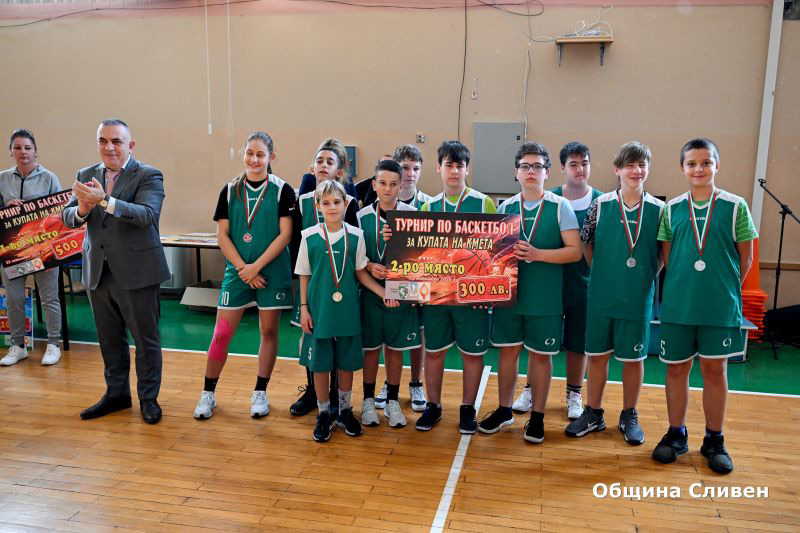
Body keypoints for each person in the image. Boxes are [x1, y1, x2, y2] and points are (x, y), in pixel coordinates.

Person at [652, 138, 756, 475]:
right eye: (692, 163)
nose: (699, 169)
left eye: (706, 162)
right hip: (679, 306)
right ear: (682, 168)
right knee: (676, 370)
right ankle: (676, 433)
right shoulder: (671, 209)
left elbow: (745, 258)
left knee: (714, 370)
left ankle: (714, 439)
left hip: (718, 306)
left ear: (717, 165)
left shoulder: (736, 206)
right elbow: (668, 257)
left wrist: (721, 288)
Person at [63, 119, 170, 425]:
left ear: (130, 145)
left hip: (138, 271)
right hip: (98, 271)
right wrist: (83, 210)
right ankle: (117, 394)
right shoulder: (85, 174)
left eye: (116, 141)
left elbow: (147, 215)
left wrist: (105, 201)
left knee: (145, 341)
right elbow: (68, 216)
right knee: (109, 340)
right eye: (103, 141)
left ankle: (148, 399)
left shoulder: (148, 175)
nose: (109, 147)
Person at [478, 142, 581, 442]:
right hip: (509, 296)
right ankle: (504, 410)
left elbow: (574, 252)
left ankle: (537, 417)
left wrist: (537, 254)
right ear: (516, 172)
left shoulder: (560, 207)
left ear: (547, 172)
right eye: (525, 166)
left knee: (540, 356)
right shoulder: (505, 209)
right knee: (507, 352)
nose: (531, 171)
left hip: (544, 297)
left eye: (537, 166)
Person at [565, 142, 664, 445]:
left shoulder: (660, 210)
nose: (636, 171)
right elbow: (586, 242)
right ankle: (593, 412)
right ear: (617, 170)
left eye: (642, 165)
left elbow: (663, 253)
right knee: (597, 356)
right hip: (601, 295)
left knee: (633, 359)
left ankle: (629, 414)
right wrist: (600, 271)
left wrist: (647, 275)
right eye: (630, 165)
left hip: (637, 296)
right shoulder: (601, 204)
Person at [193, 132, 294, 420]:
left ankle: (260, 392)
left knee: (269, 332)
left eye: (260, 154)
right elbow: (222, 236)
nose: (254, 159)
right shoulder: (229, 191)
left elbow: (285, 235)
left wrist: (256, 267)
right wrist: (244, 269)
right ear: (243, 154)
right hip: (238, 271)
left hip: (271, 271)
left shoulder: (283, 190)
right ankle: (208, 393)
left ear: (271, 157)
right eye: (250, 153)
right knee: (222, 333)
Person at [296, 179, 396, 441]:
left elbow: (361, 272)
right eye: (326, 203)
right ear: (318, 206)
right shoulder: (309, 236)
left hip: (348, 310)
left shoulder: (356, 235)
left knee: (345, 363)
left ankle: (344, 410)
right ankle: (323, 412)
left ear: (346, 203)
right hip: (319, 310)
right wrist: (304, 308)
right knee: (320, 364)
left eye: (336, 202)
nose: (332, 207)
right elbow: (304, 274)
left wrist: (382, 292)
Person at [513, 142, 603, 420]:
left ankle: (574, 393)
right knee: (538, 346)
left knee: (578, 343)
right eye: (574, 164)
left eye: (584, 163)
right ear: (562, 168)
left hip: (581, 284)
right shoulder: (546, 197)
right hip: (545, 284)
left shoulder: (601, 202)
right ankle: (530, 390)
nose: (580, 169)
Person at [415, 140, 496, 434]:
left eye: (459, 165)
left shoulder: (484, 204)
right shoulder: (428, 207)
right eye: (448, 165)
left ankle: (467, 408)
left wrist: (487, 290)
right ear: (438, 168)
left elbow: (495, 252)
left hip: (471, 296)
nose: (454, 171)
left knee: (472, 355)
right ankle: (433, 405)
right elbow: (418, 253)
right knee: (434, 351)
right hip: (437, 296)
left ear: (467, 169)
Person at [290, 139, 359, 418]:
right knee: (311, 339)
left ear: (339, 172)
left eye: (330, 162)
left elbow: (355, 244)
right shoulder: (303, 201)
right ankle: (313, 392)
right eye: (319, 161)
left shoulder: (348, 203)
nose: (323, 165)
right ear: (312, 167)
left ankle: (336, 398)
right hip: (314, 284)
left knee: (338, 342)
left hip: (339, 284)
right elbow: (296, 244)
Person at [357, 159, 420, 428]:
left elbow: (421, 260)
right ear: (374, 185)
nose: (388, 189)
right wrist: (370, 266)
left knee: (395, 350)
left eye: (394, 184)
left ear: (401, 186)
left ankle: (393, 400)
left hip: (401, 295)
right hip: (371, 294)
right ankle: (367, 400)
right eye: (382, 183)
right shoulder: (361, 217)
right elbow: (357, 260)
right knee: (371, 350)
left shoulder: (413, 215)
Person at [373, 144, 431, 413]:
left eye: (415, 168)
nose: (410, 173)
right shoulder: (378, 203)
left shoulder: (427, 205)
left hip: (418, 281)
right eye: (405, 168)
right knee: (392, 335)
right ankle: (390, 383)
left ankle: (416, 382)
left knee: (420, 332)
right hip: (388, 284)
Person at [0, 129, 63, 366]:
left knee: (49, 298)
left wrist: (53, 252)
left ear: (35, 151)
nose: (23, 152)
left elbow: (61, 214)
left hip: (43, 250)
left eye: (27, 148)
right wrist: (7, 208)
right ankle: (18, 346)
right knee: (14, 299)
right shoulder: (2, 179)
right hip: (12, 250)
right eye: (17, 147)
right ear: (11, 151)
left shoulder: (49, 178)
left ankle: (53, 345)